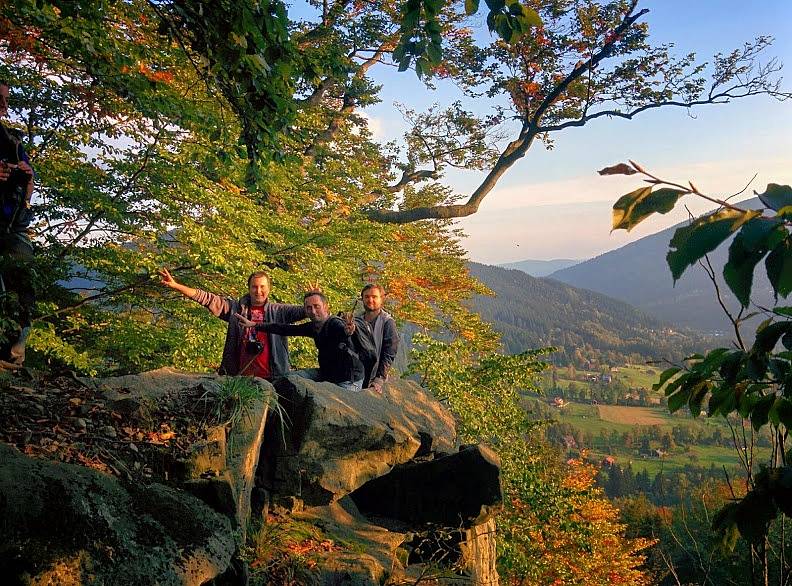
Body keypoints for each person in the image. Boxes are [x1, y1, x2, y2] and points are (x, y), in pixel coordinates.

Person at [159, 268, 306, 380]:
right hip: (240, 377)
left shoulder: (279, 311)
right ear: (249, 288)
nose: (258, 291)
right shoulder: (235, 309)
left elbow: (306, 311)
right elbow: (207, 298)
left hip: (274, 377)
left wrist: (314, 298)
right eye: (254, 287)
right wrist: (176, 286)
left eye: (262, 286)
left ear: (269, 288)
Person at [236, 290, 365, 392]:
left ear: (326, 307)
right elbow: (285, 329)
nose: (313, 311)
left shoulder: (335, 324)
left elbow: (344, 334)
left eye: (316, 307)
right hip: (327, 374)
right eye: (309, 308)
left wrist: (348, 332)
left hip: (348, 380)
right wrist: (255, 325)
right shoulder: (313, 327)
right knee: (290, 378)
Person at [0, 80, 35, 367]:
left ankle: (14, 352)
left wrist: (22, 177)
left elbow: (29, 178)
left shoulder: (11, 141)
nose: (4, 104)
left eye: (6, 99)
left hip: (10, 223)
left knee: (23, 281)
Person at [356, 284, 398, 393]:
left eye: (374, 297)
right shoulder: (357, 321)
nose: (370, 300)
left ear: (381, 299)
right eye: (367, 297)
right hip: (356, 375)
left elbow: (389, 353)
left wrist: (379, 378)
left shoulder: (387, 322)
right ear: (362, 299)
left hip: (373, 376)